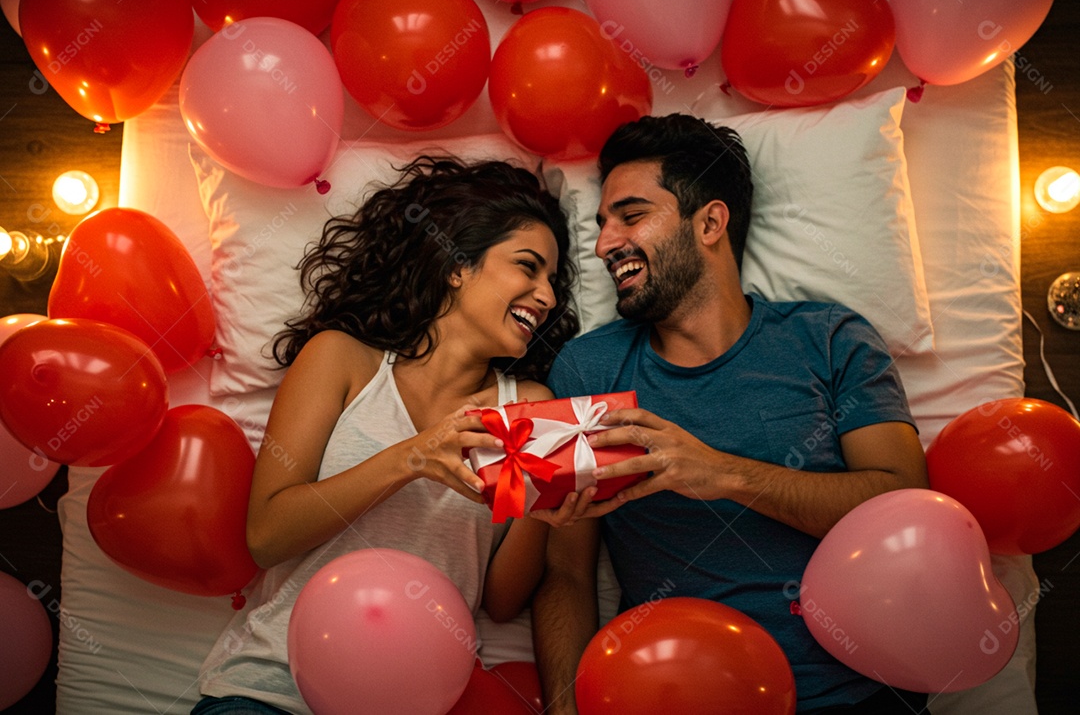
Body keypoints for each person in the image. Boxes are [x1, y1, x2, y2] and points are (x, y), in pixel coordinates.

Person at [531, 113, 930, 714]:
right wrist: (565, 708)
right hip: (677, 694)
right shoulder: (587, 371)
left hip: (853, 692)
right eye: (603, 224)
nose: (604, 243)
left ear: (710, 222)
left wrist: (719, 474)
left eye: (631, 216)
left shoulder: (829, 340)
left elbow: (902, 507)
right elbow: (565, 572)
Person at [192, 156, 579, 715]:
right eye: (528, 268)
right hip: (269, 690)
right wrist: (412, 457)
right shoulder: (341, 360)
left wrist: (539, 512)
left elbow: (500, 602)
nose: (546, 297)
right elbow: (268, 535)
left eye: (552, 282)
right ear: (457, 267)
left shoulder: (530, 408)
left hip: (413, 699)